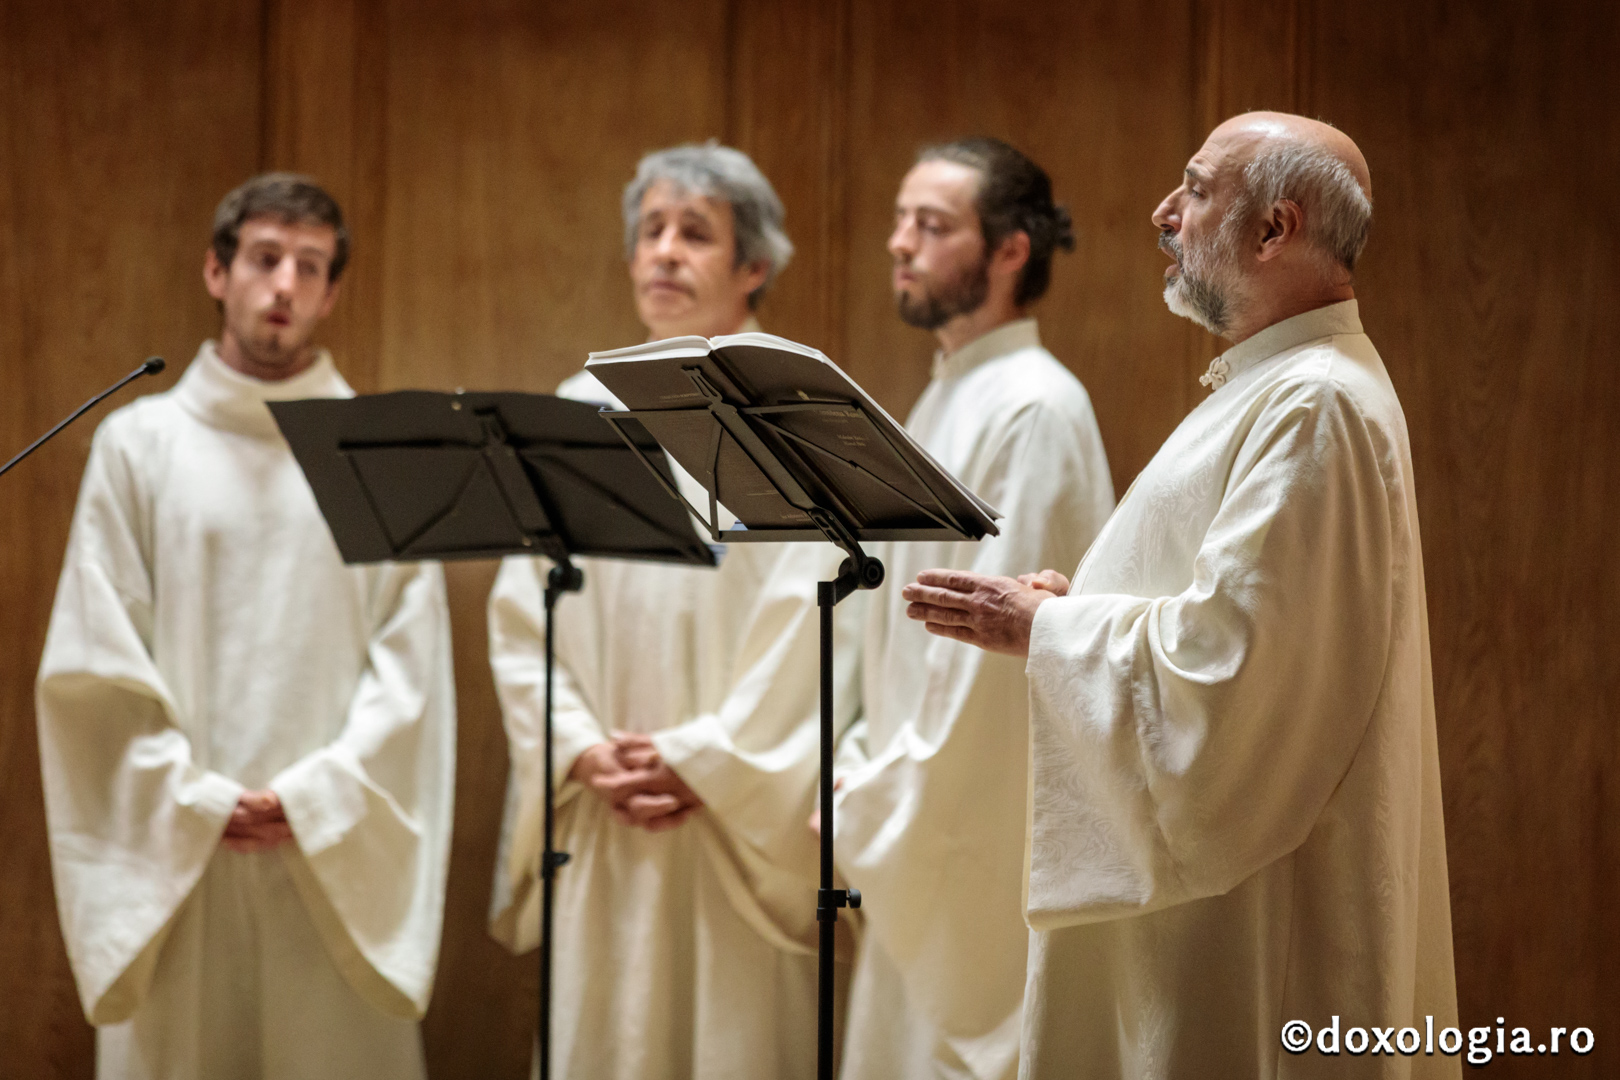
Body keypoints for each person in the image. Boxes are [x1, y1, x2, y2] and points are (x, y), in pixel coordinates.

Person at [902, 113, 1460, 1078]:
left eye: (1196, 190)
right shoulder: (1273, 386)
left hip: (1248, 932)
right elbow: (1240, 619)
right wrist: (1078, 607)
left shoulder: (1314, 402)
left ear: (1273, 228)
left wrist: (1055, 629)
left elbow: (1237, 680)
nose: (1164, 213)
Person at [36, 173, 456, 1080]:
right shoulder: (138, 446)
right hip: (176, 863)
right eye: (265, 259)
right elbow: (92, 658)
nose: (285, 287)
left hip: (332, 863)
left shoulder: (378, 454)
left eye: (310, 267)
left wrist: (318, 798)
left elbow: (412, 668)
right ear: (215, 272)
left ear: (333, 292)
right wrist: (189, 800)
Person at [488, 142, 852, 1080]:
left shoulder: (791, 415)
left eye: (695, 233)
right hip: (608, 815)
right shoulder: (576, 411)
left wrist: (708, 761)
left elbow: (810, 627)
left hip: (729, 830)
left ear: (754, 266)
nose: (663, 251)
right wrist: (577, 747)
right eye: (650, 231)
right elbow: (525, 619)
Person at [832, 137, 1114, 1080]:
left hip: (964, 832)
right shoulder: (946, 397)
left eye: (932, 224)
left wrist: (865, 802)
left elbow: (987, 657)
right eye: (901, 219)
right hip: (908, 798)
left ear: (1009, 252)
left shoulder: (1034, 407)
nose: (898, 243)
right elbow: (890, 633)